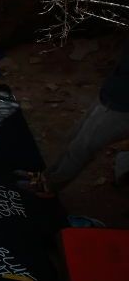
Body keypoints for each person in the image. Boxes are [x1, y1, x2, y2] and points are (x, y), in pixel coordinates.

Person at [17, 40, 129, 196]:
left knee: (81, 148)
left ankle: (49, 186)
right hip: (111, 94)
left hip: (121, 106)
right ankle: (46, 176)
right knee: (74, 138)